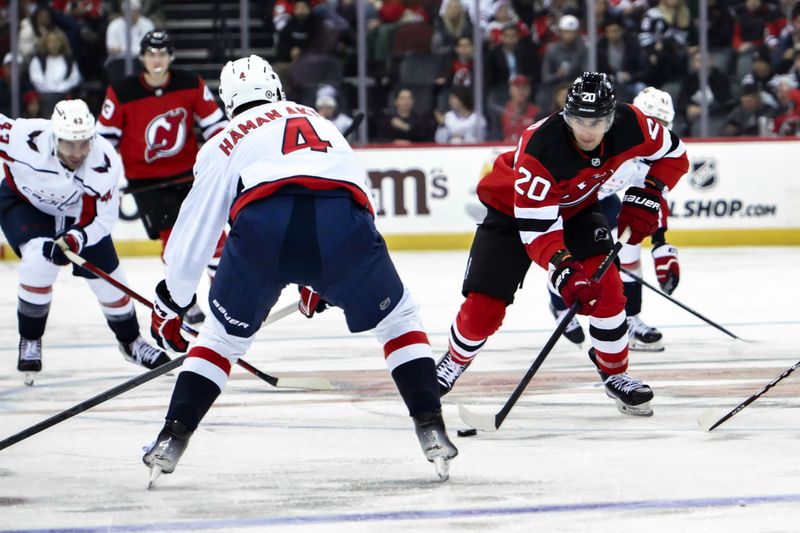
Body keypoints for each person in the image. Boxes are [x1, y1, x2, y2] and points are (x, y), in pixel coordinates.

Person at [142, 55, 457, 484]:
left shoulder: (224, 138)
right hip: (343, 225)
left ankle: (171, 438)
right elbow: (359, 200)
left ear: (228, 101)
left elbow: (194, 232)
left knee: (220, 337)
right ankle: (430, 424)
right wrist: (329, 277)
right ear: (275, 87)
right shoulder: (318, 121)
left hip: (263, 228)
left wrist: (173, 300)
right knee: (398, 318)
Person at [434, 72, 689, 416]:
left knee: (610, 289)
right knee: (484, 308)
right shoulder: (541, 147)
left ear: (612, 118)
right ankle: (454, 359)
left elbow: (675, 154)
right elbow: (539, 232)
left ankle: (616, 374)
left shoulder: (634, 125)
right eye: (578, 120)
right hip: (513, 213)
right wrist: (565, 271)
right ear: (566, 115)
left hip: (577, 209)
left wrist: (649, 193)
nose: (587, 130)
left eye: (597, 121)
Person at [0, 99, 170, 386]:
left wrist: (76, 239)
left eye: (84, 143)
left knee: (112, 281)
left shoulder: (104, 161)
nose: (78, 152)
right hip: (25, 204)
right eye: (69, 144)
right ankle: (30, 338)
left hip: (78, 215)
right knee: (37, 261)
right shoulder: (21, 138)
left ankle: (131, 343)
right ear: (54, 137)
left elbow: (102, 220)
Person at [96, 30, 228, 324]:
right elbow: (104, 141)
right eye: (151, 53)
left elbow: (216, 126)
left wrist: (224, 159)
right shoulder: (122, 91)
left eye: (162, 53)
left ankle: (223, 295)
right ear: (142, 57)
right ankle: (184, 299)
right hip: (147, 183)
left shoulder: (190, 83)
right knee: (173, 242)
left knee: (216, 236)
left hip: (189, 177)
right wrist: (101, 180)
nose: (157, 59)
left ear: (171, 57)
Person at [545, 86, 681, 351]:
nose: (660, 131)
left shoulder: (650, 151)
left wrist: (661, 244)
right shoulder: (611, 136)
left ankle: (630, 319)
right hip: (566, 200)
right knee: (564, 258)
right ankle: (559, 304)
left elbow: (652, 196)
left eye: (665, 124)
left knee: (628, 247)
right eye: (655, 122)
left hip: (601, 199)